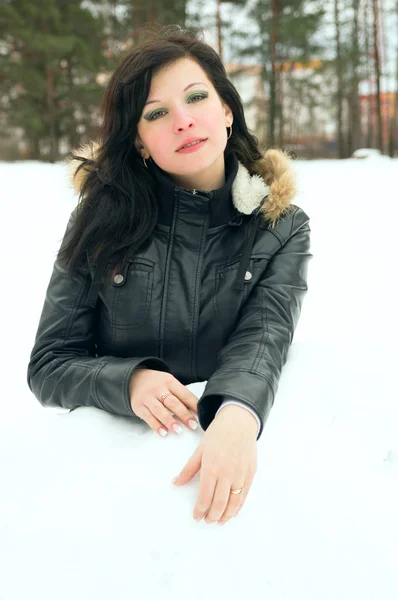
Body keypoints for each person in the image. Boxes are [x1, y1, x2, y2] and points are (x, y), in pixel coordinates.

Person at [27, 25, 312, 526]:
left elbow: (265, 335)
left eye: (196, 97)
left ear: (226, 111)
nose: (183, 121)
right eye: (156, 113)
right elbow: (50, 363)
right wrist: (130, 380)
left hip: (222, 488)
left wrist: (238, 413)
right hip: (114, 490)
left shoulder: (281, 225)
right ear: (138, 141)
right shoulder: (101, 220)